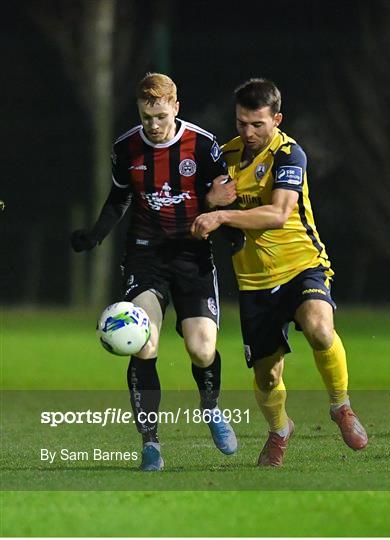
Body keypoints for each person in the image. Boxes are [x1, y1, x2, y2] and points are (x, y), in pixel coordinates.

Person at [191, 78, 368, 467]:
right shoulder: (225, 157)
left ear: (277, 119)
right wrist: (208, 199)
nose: (249, 132)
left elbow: (278, 213)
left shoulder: (290, 155)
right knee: (268, 376)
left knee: (321, 329)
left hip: (302, 265)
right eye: (241, 123)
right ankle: (279, 430)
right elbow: (198, 203)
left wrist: (221, 213)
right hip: (254, 282)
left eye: (258, 124)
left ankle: (341, 407)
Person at [70, 73, 239, 471]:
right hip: (145, 256)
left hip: (192, 256)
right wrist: (96, 235)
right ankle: (150, 444)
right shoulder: (127, 147)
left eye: (161, 116)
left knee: (202, 349)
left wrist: (230, 231)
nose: (153, 125)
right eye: (146, 117)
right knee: (144, 342)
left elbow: (222, 192)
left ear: (176, 107)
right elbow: (119, 196)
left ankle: (211, 407)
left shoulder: (202, 144)